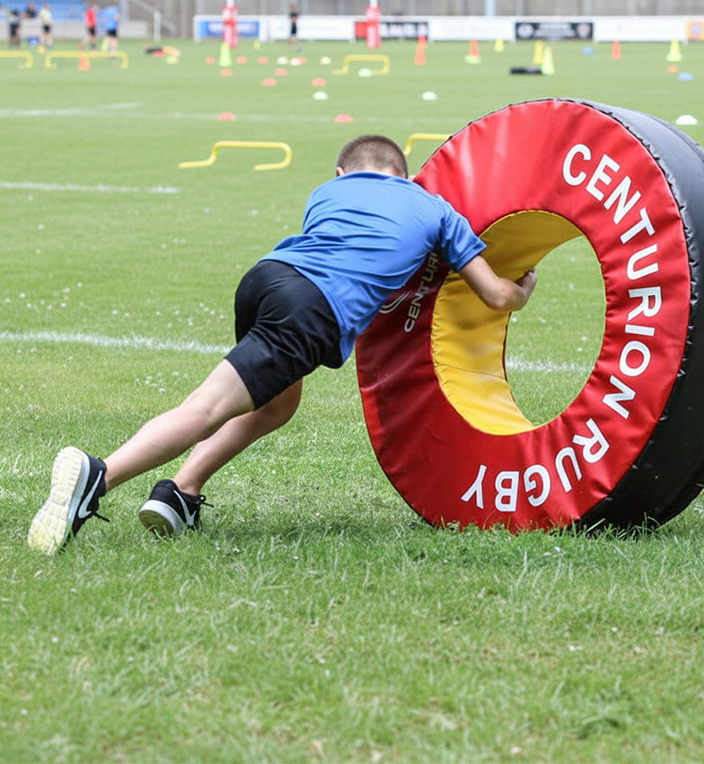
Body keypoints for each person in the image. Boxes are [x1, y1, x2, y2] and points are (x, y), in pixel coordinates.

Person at [27, 135, 537, 556]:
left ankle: (180, 492)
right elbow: (494, 294)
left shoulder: (326, 194)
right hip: (312, 310)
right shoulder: (434, 208)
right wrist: (521, 288)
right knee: (207, 407)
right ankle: (97, 477)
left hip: (266, 280)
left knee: (277, 405)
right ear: (404, 176)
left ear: (342, 173)